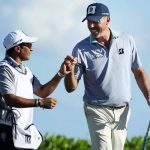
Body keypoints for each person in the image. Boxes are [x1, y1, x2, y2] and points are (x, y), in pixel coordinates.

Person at [64, 3, 150, 150]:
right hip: (96, 110)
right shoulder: (80, 49)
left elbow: (138, 72)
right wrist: (70, 71)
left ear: (107, 20)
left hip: (123, 111)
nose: (91, 25)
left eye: (95, 21)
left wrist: (149, 97)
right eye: (89, 21)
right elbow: (71, 87)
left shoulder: (127, 40)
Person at [0, 30, 69, 150]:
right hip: (6, 130)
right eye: (29, 45)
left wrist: (61, 74)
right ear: (18, 48)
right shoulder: (4, 69)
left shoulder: (26, 71)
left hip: (22, 131)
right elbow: (9, 99)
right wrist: (39, 103)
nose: (31, 49)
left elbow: (42, 91)